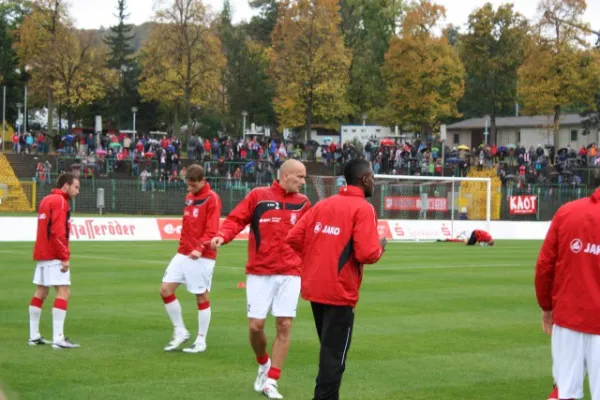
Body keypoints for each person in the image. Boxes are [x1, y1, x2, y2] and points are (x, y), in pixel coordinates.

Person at [285, 159, 387, 400]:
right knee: (334, 357)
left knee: (328, 350)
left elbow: (294, 237)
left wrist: (316, 260)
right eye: (372, 177)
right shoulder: (363, 208)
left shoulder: (323, 204)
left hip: (315, 288)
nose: (374, 181)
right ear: (364, 179)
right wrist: (380, 248)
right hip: (339, 292)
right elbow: (366, 253)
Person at [210, 159, 311, 399]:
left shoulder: (304, 203)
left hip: (290, 272)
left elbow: (311, 235)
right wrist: (222, 236)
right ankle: (263, 363)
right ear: (285, 176)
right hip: (259, 272)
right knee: (256, 327)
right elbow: (235, 220)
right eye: (300, 177)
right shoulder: (258, 196)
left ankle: (272, 381)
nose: (303, 182)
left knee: (284, 324)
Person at [535, 184, 600, 400]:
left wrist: (546, 307)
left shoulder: (567, 212)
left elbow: (545, 267)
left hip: (568, 320)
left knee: (564, 393)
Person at [160, 164, 222, 353]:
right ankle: (180, 331)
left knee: (201, 295)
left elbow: (212, 229)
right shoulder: (189, 198)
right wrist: (184, 249)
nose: (190, 189)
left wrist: (199, 248)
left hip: (203, 256)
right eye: (188, 185)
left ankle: (201, 340)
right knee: (165, 289)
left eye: (193, 185)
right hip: (184, 252)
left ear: (203, 181)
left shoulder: (212, 199)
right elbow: (187, 227)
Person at [30, 172, 80, 349]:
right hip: (54, 254)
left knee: (41, 292)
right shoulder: (60, 202)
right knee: (63, 292)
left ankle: (34, 335)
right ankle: (58, 338)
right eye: (76, 187)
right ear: (66, 186)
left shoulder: (46, 200)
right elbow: (58, 232)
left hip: (42, 254)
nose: (77, 191)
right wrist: (64, 257)